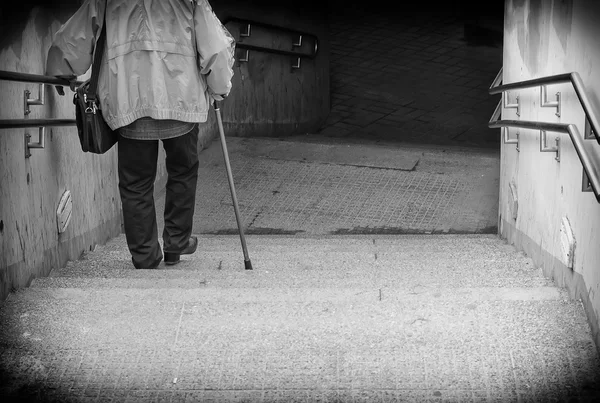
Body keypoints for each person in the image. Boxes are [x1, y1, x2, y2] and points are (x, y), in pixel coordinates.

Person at [46, 0, 235, 269]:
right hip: (181, 100)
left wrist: (59, 67)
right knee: (183, 170)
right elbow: (214, 47)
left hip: (130, 98)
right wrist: (220, 88)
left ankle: (145, 255)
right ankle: (176, 242)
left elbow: (78, 32)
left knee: (136, 182)